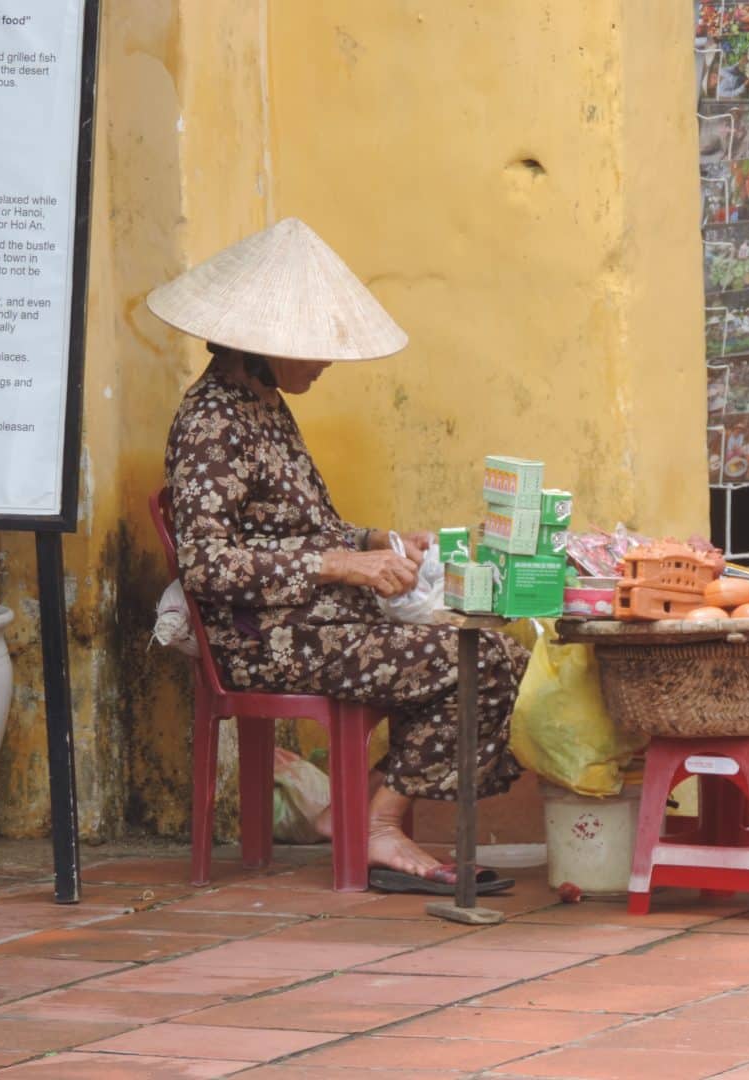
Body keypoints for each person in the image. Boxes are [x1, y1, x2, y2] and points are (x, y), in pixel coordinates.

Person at [148, 219, 528, 893]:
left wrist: (377, 541)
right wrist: (341, 566)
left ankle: (361, 810)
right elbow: (207, 566)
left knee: (500, 654)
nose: (328, 362)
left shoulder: (264, 406)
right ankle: (376, 825)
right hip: (266, 639)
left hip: (319, 625)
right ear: (263, 345)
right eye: (315, 347)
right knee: (472, 661)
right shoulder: (214, 423)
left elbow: (300, 527)